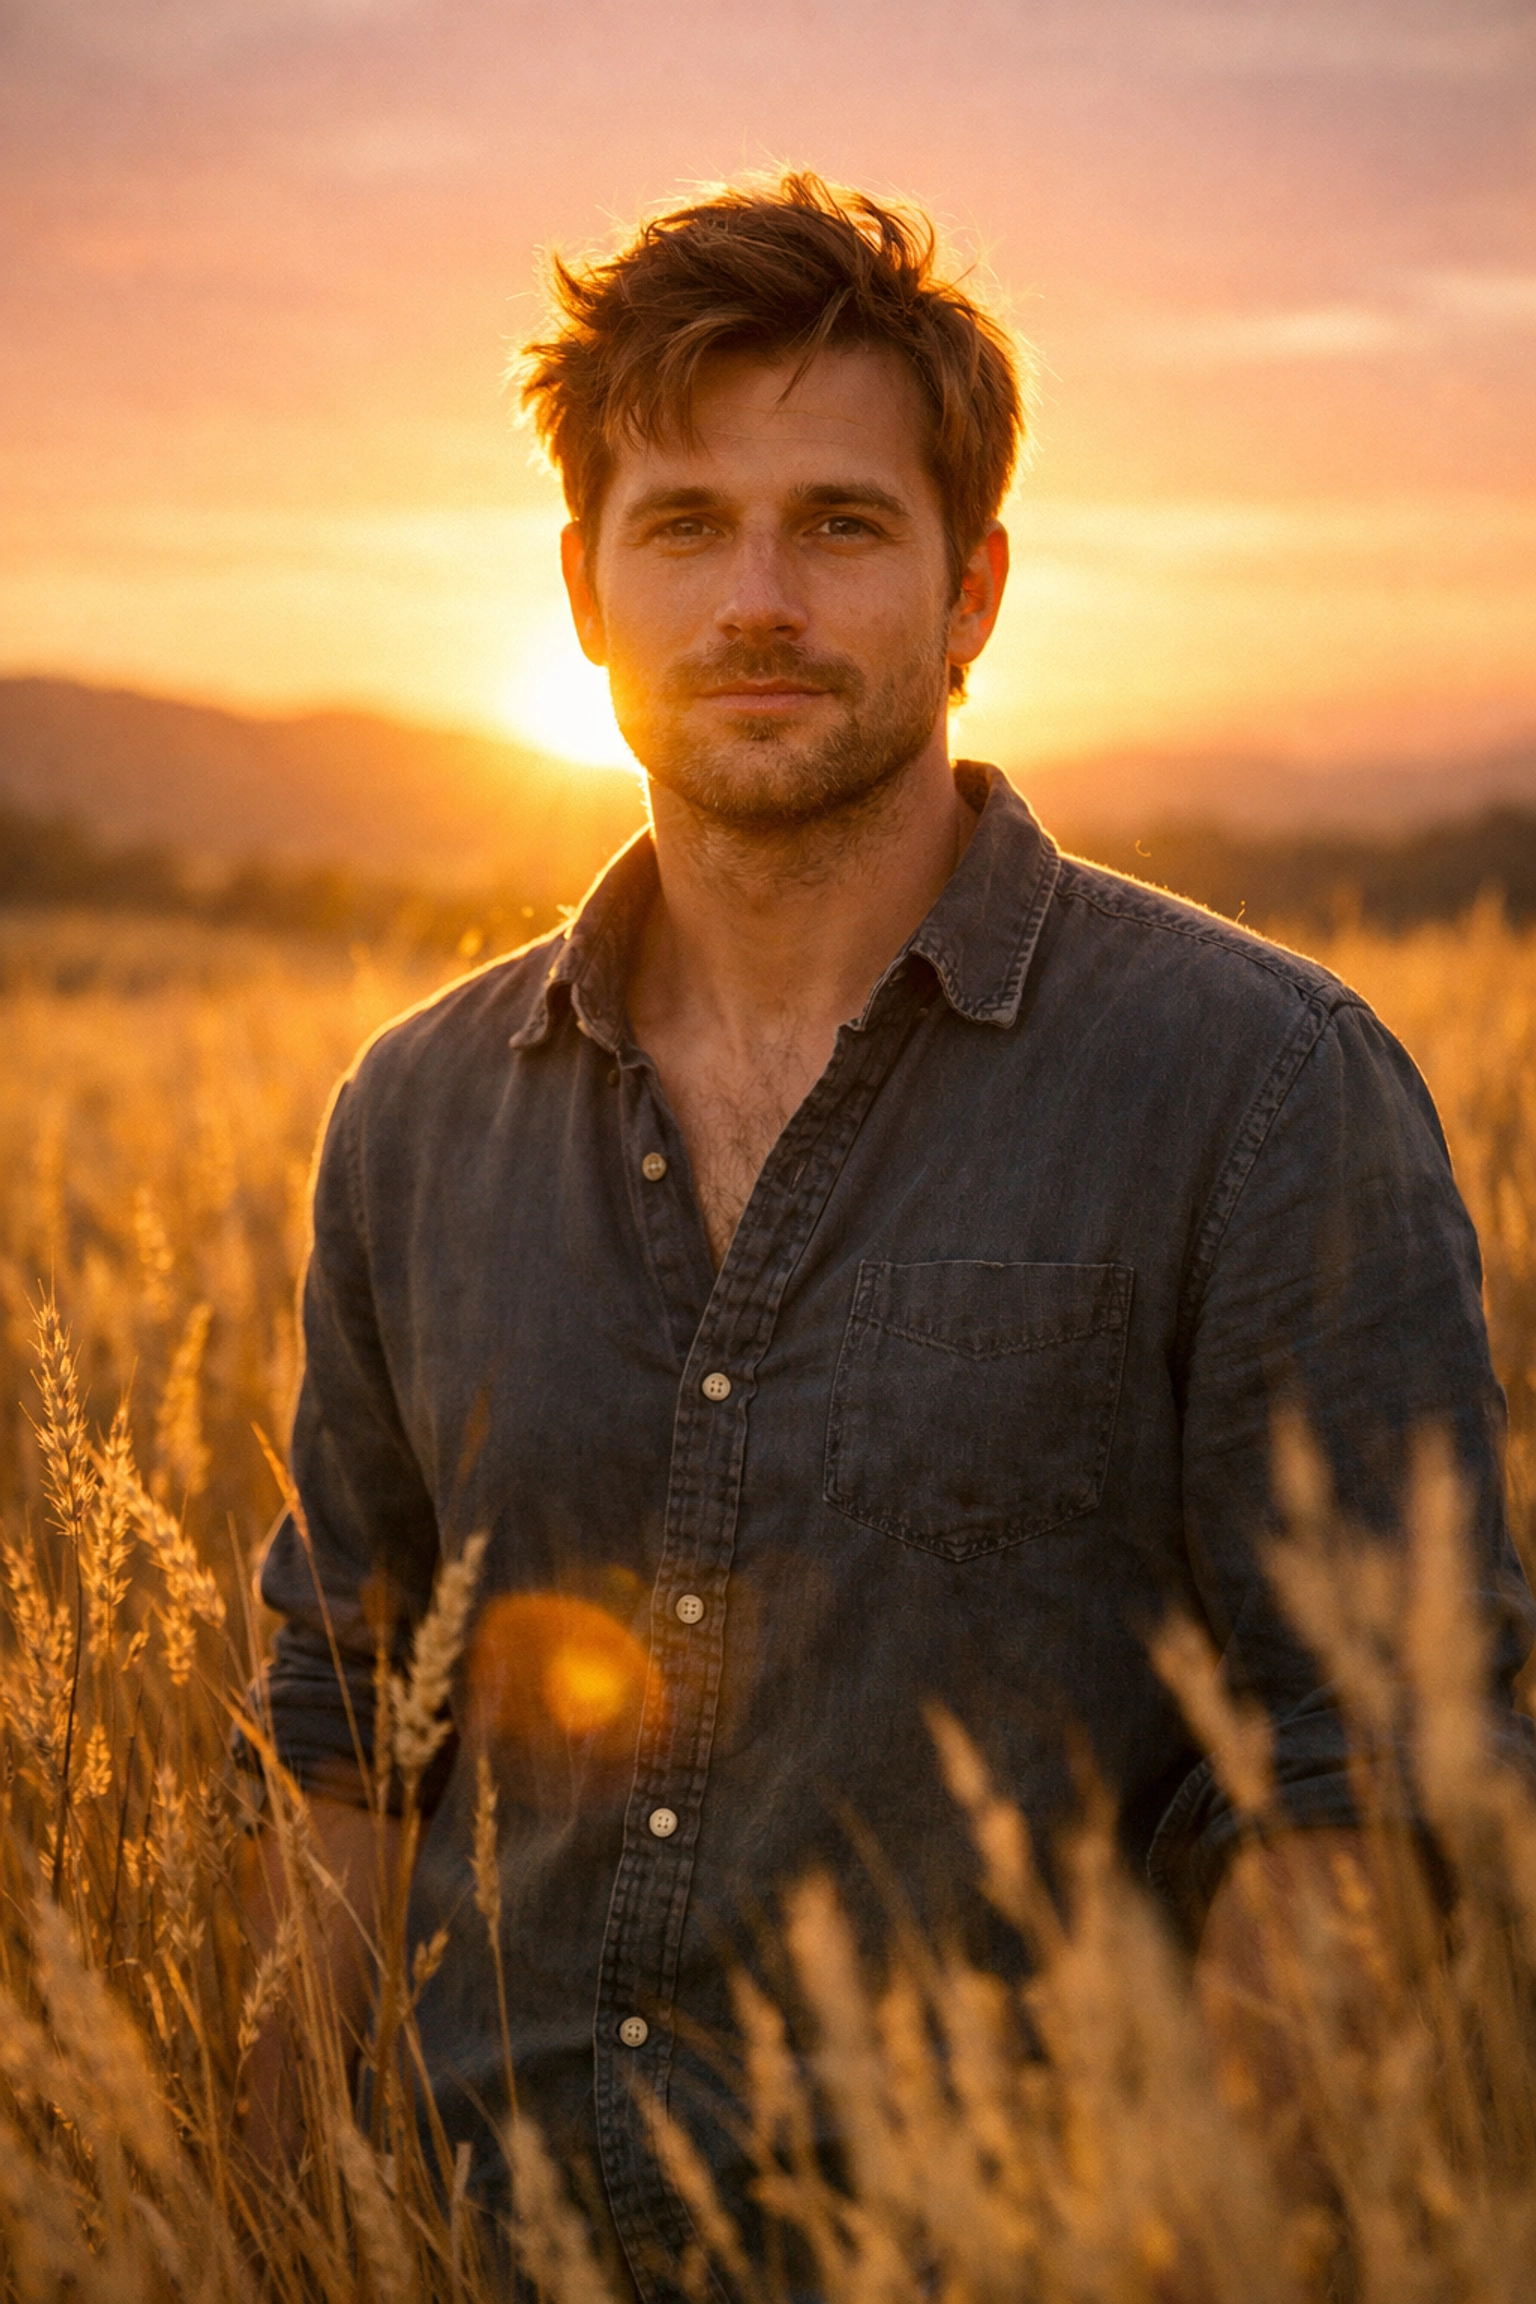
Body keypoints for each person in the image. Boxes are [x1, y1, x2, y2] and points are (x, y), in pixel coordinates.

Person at [240, 173, 1534, 2295]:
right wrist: (275, 2232)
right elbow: (346, 1730)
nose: (757, 600)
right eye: (685, 526)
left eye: (840, 524)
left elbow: (1368, 1777)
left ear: (971, 591)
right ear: (583, 590)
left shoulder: (1259, 1088)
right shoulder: (416, 1117)